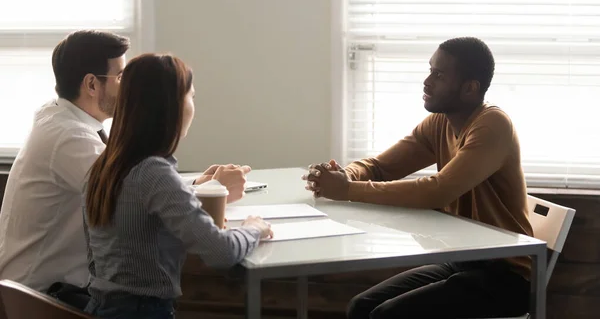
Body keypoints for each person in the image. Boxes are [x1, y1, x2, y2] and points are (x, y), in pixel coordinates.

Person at [0, 30, 249, 309]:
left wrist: (198, 183)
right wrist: (210, 189)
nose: (128, 86)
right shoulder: (69, 138)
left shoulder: (60, 117)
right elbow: (136, 189)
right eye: (120, 77)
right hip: (44, 296)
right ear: (92, 85)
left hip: (66, 289)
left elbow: (137, 182)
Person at [304, 37, 533, 319]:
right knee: (361, 307)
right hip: (462, 261)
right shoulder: (440, 122)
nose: (426, 82)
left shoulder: (493, 125)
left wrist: (347, 189)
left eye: (438, 75)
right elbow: (380, 166)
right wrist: (343, 175)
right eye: (429, 70)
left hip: (505, 278)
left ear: (470, 88)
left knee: (387, 315)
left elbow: (437, 191)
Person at [83, 53, 272, 319]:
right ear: (171, 106)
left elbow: (96, 256)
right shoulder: (154, 172)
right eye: (191, 97)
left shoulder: (102, 167)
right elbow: (221, 252)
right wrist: (254, 228)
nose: (193, 106)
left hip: (100, 308)